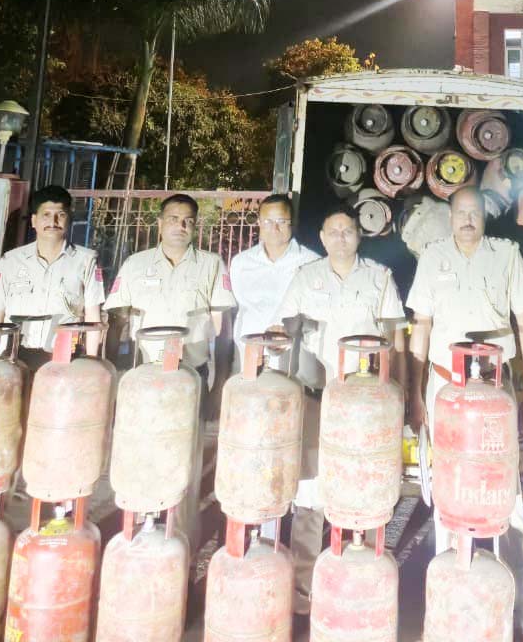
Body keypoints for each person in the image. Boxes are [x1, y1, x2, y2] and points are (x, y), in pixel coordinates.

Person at [407, 184, 523, 642]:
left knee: (506, 497)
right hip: (445, 387)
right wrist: (416, 392)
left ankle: (516, 612)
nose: (467, 220)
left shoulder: (506, 255)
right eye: (460, 212)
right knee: (448, 492)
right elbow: (422, 325)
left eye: (475, 213)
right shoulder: (433, 256)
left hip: (495, 391)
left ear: (485, 217)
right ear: (449, 217)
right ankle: (450, 605)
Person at [277, 207, 407, 618]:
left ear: (359, 235)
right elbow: (285, 332)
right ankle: (303, 589)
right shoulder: (305, 278)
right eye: (332, 231)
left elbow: (397, 339)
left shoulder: (379, 277)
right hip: (317, 395)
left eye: (347, 231)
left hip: (364, 404)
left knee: (362, 484)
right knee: (311, 493)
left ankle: (359, 580)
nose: (340, 238)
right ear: (321, 236)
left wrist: (401, 394)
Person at [105, 193, 236, 392]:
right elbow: (116, 323)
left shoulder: (211, 264)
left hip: (192, 374)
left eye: (188, 221)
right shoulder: (135, 264)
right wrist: (110, 378)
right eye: (173, 219)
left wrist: (219, 385)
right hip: (143, 373)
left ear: (195, 225)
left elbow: (222, 329)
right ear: (160, 223)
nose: (180, 226)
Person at [0, 184, 103, 369]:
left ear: (69, 219)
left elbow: (93, 318)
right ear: (34, 221)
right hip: (12, 361)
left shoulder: (86, 261)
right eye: (46, 215)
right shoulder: (11, 261)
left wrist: (91, 363)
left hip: (64, 362)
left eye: (60, 215)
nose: (53, 222)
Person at [229, 193, 320, 358]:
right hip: (248, 353)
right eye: (268, 222)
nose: (274, 228)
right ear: (259, 223)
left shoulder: (312, 263)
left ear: (293, 223)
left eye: (281, 221)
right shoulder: (241, 263)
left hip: (294, 356)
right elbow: (237, 308)